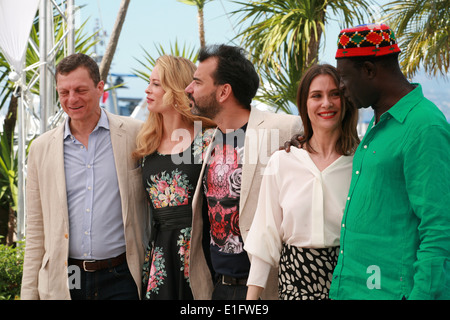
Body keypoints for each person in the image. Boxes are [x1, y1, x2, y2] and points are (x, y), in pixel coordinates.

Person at [329, 24, 450, 299]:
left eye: (344, 77)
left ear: (369, 70)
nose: (341, 88)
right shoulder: (380, 121)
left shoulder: (424, 126)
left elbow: (439, 229)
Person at [21, 53, 148, 300]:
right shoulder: (41, 148)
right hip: (66, 276)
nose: (72, 99)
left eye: (80, 90)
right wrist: (28, 294)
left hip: (122, 275)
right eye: (64, 92)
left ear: (100, 87)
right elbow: (36, 230)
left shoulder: (135, 134)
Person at [185, 44, 302, 300]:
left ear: (224, 91)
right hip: (219, 286)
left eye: (197, 82)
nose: (188, 89)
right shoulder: (207, 140)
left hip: (267, 288)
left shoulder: (283, 128)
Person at [244, 64, 359, 300]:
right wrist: (251, 299)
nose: (326, 103)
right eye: (316, 96)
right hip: (294, 287)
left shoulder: (361, 164)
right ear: (304, 105)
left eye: (334, 94)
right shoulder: (282, 161)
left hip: (349, 285)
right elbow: (265, 236)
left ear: (345, 101)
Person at [132, 55, 215, 300]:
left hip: (199, 254)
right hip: (159, 254)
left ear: (177, 89)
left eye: (156, 84)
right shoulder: (146, 144)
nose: (148, 90)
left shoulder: (209, 140)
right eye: (150, 83)